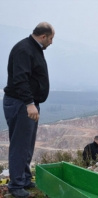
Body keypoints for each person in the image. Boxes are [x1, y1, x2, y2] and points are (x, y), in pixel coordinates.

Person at [3, 22, 55, 198]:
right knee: (19, 144)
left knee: (27, 144)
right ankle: (16, 185)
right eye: (51, 39)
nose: (51, 42)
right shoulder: (24, 49)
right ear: (43, 37)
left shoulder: (33, 48)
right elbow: (20, 79)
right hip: (21, 103)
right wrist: (29, 103)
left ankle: (24, 178)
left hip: (27, 103)